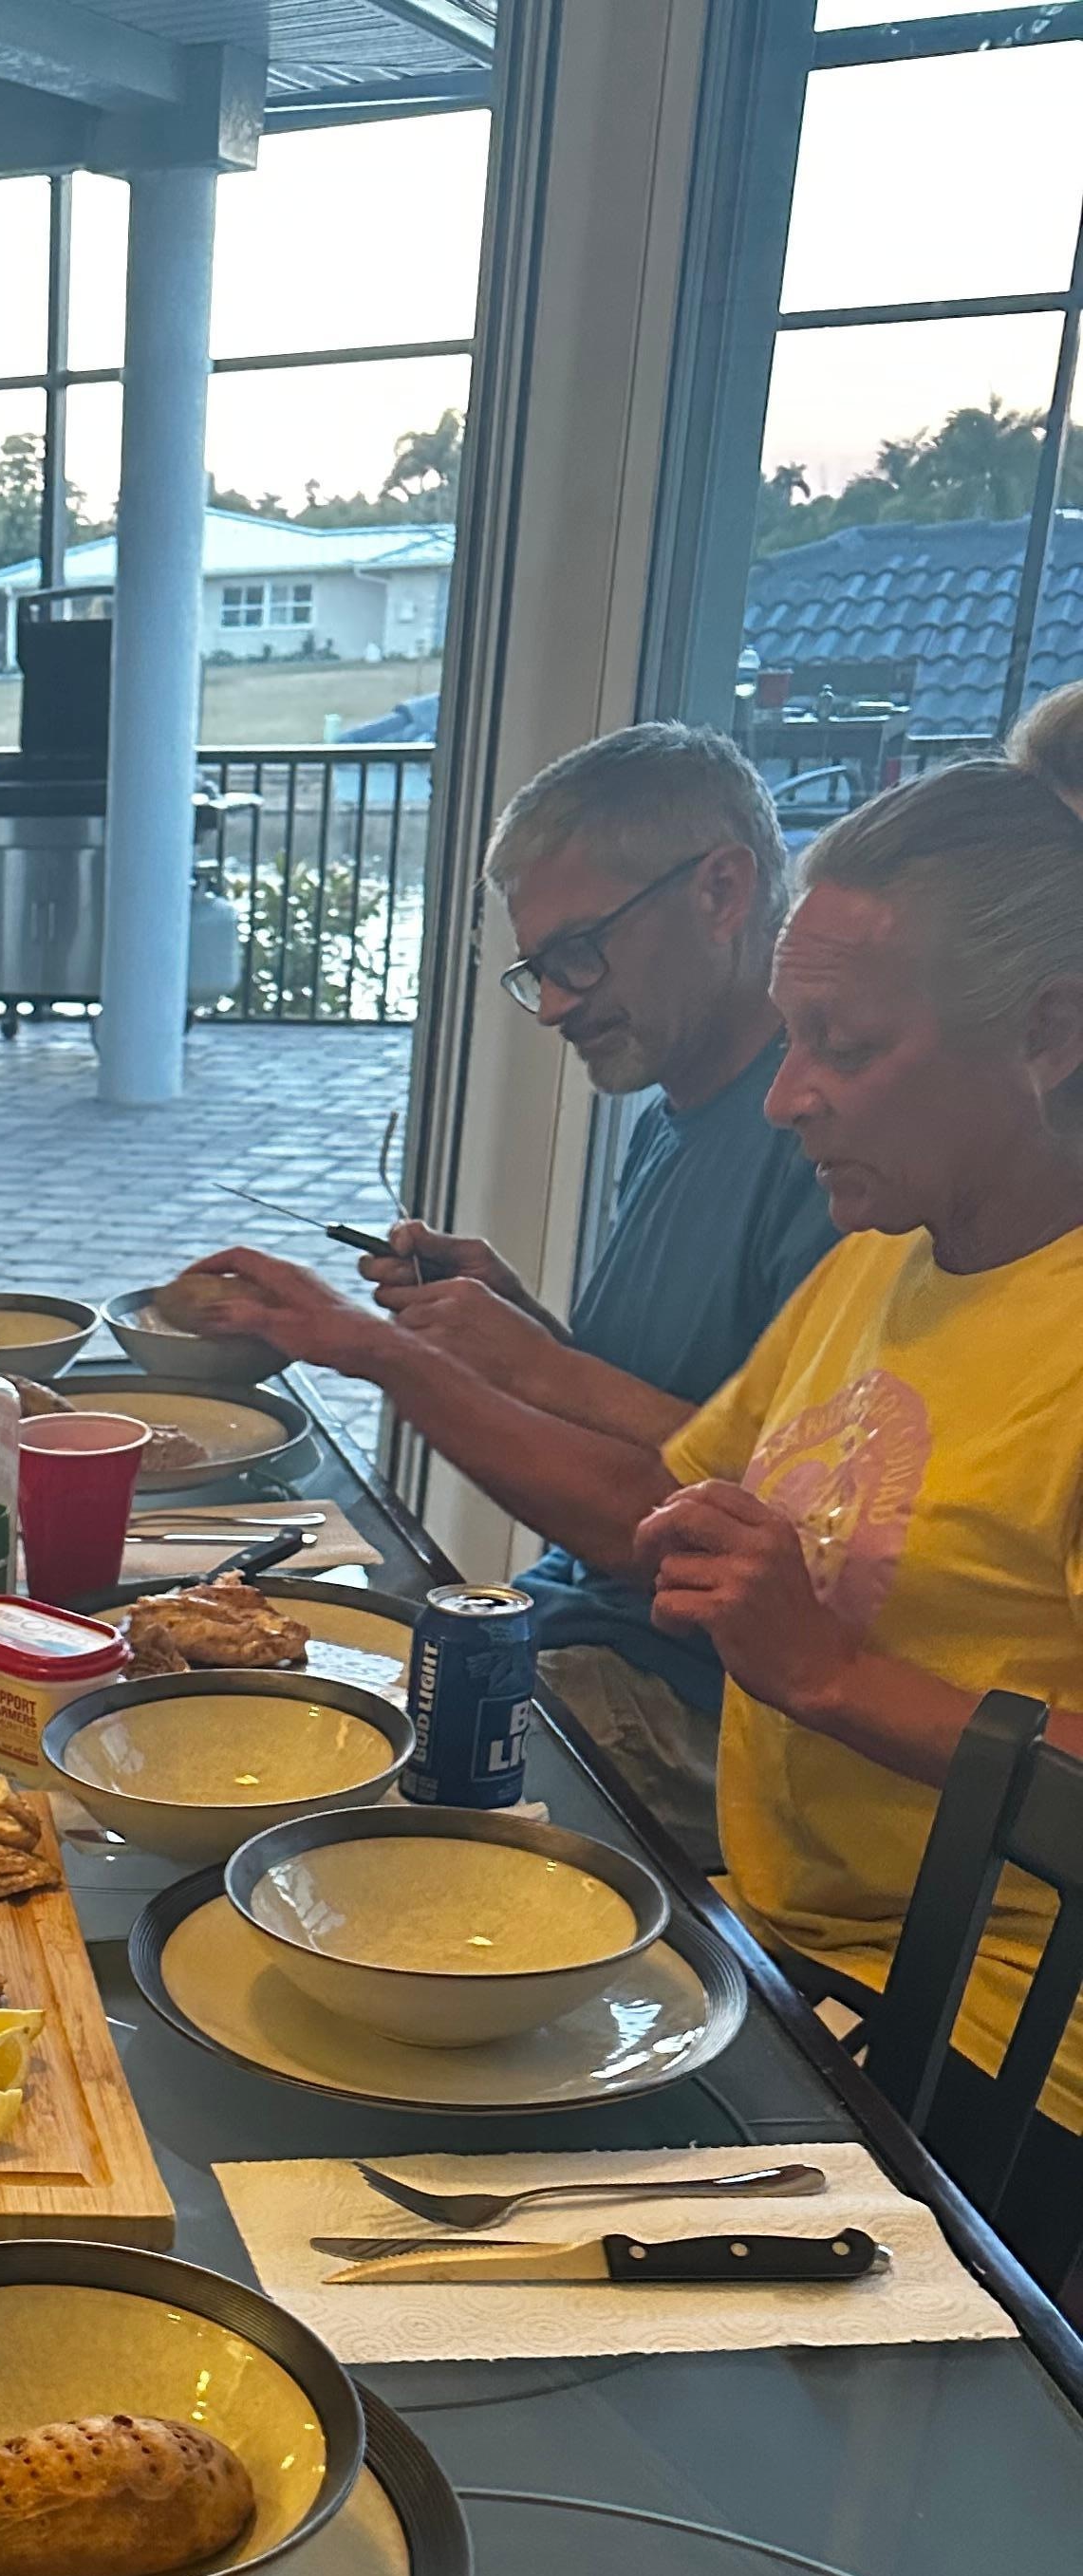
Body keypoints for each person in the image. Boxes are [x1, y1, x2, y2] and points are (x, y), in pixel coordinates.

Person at [184, 727, 1083, 2284]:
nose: (786, 1097)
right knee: (302, 2050)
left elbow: (788, 1632)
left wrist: (828, 1676)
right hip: (778, 1937)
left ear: (1049, 1032)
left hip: (993, 2045)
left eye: (844, 1047)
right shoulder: (889, 1256)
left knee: (410, 2244)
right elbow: (670, 1495)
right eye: (790, 1040)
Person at [196, 725, 832, 1863]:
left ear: (722, 890)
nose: (553, 1006)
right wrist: (520, 1326)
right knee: (213, 1671)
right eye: (540, 967)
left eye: (579, 952)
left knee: (274, 1795)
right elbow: (671, 1412)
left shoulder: (824, 1153)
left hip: (686, 1702)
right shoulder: (675, 1116)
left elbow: (690, 1529)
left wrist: (389, 1355)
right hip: (571, 1623)